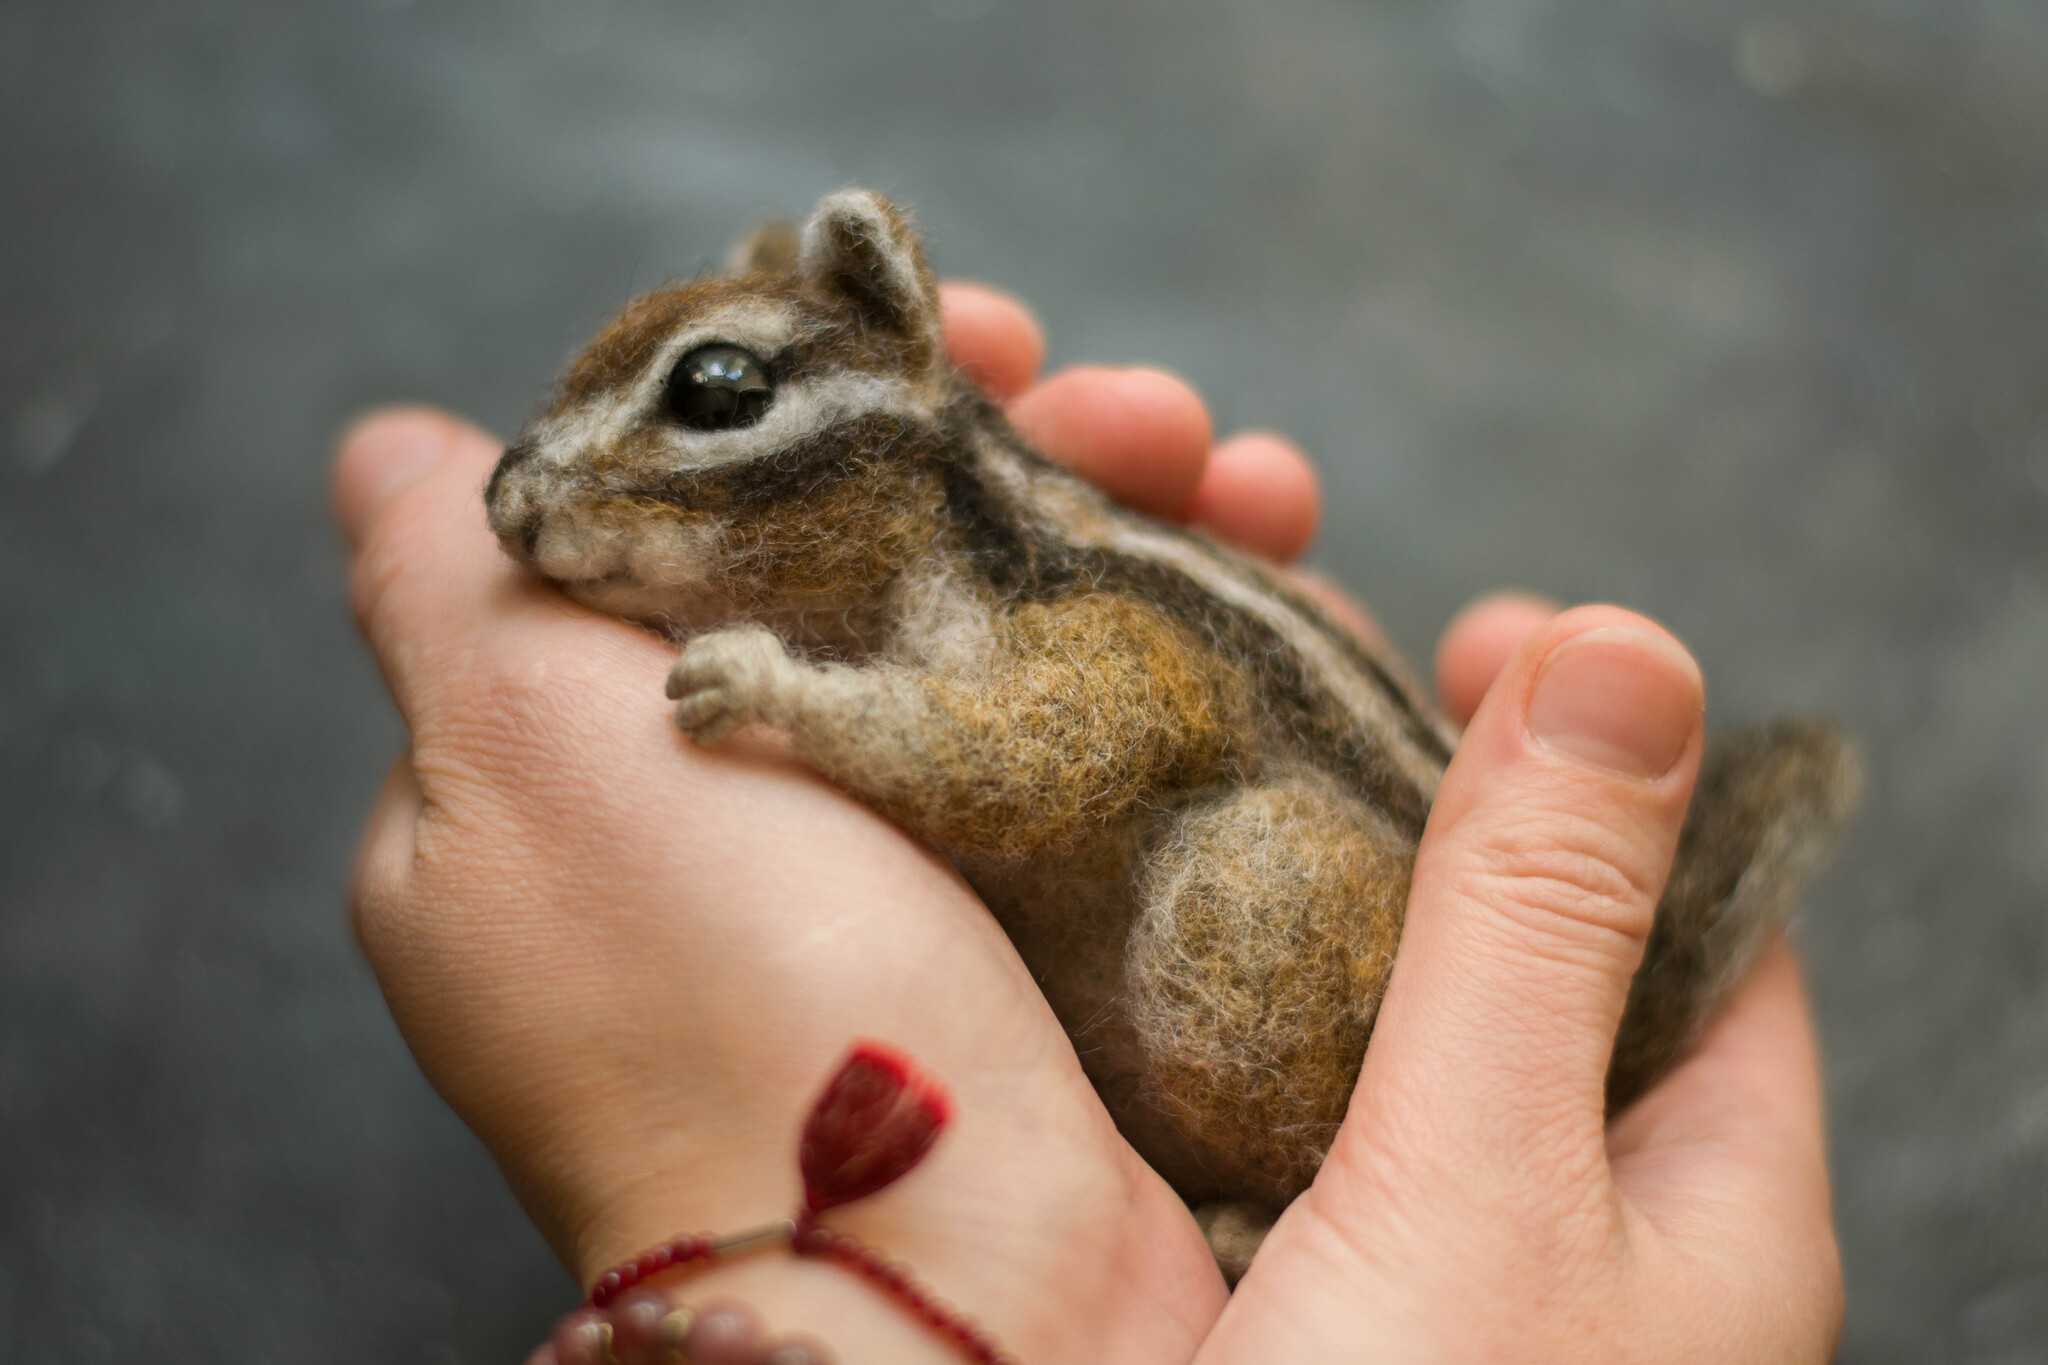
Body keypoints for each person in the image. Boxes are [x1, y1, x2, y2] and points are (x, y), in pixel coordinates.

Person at [332, 282, 1842, 1362]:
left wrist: (817, 710)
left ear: (891, 415)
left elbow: (1047, 757)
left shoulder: (1042, 609)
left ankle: (1274, 1187)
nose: (537, 500)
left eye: (717, 401)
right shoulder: (886, 601)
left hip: (1299, 962)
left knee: (1252, 892)